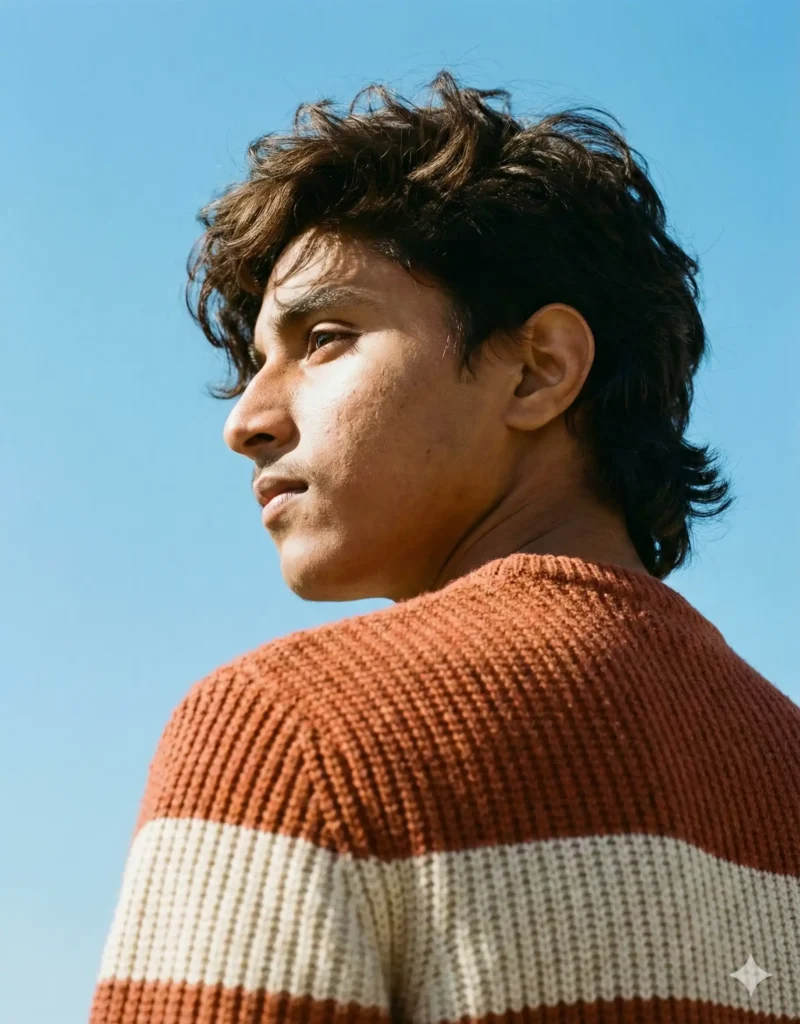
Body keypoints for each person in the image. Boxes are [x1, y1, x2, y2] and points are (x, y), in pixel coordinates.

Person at [88, 71, 800, 1023]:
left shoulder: (294, 735)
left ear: (539, 370)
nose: (248, 421)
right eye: (256, 364)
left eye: (326, 337)